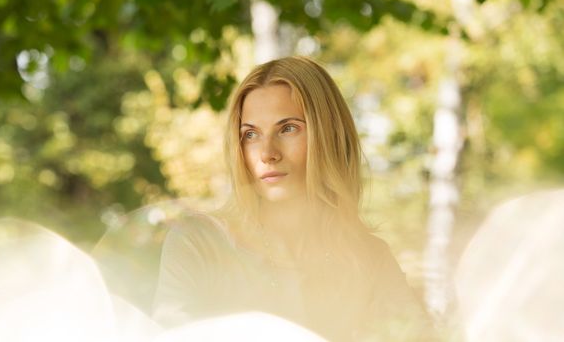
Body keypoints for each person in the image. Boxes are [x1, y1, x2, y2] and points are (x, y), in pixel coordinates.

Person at [151, 56, 433, 341]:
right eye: (250, 135)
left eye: (288, 129)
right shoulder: (197, 244)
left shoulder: (369, 258)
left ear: (329, 135)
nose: (267, 153)